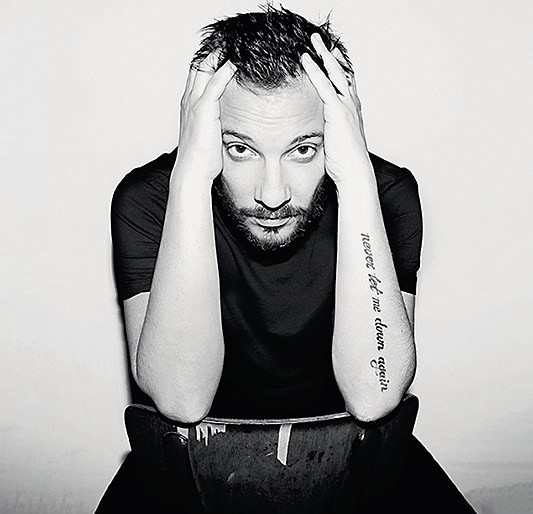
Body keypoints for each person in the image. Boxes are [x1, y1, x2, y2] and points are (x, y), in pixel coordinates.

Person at [97, 6, 475, 513]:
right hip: (196, 458)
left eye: (302, 150)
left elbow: (375, 396)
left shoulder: (384, 196)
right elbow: (180, 400)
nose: (272, 194)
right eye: (240, 149)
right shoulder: (150, 201)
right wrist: (190, 177)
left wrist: (356, 180)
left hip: (353, 454)